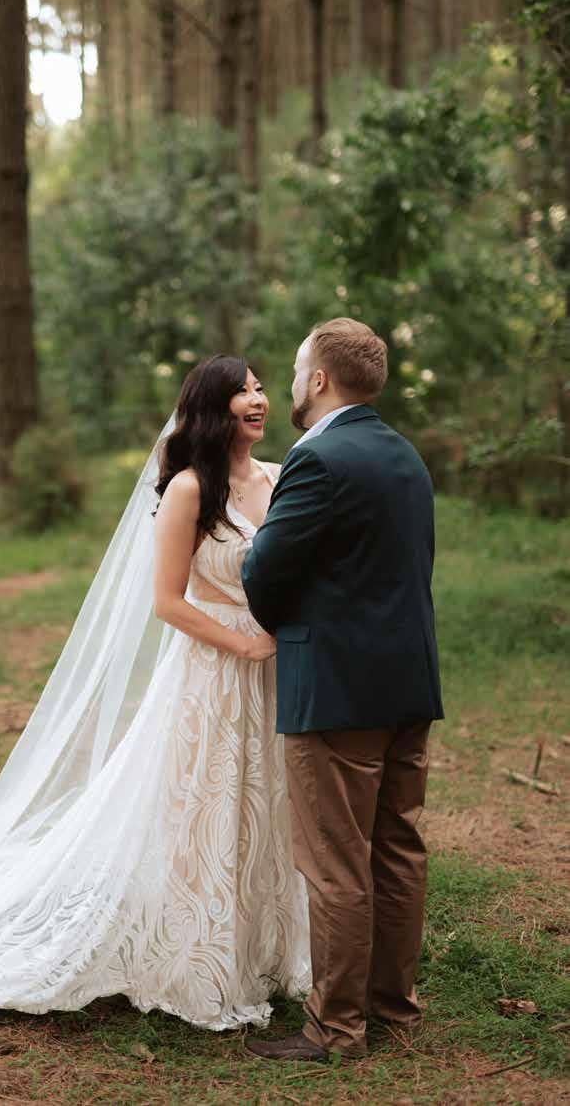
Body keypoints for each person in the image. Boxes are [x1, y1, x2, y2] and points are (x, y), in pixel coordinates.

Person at [0, 355, 310, 1029]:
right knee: (212, 805)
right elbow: (168, 601)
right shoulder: (189, 489)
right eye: (240, 392)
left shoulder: (280, 478)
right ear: (209, 407)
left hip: (277, 667)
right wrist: (242, 643)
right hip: (213, 670)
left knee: (270, 800)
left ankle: (269, 951)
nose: (257, 399)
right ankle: (205, 957)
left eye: (259, 388)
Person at [241, 317, 444, 1063]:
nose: (291, 385)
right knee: (397, 849)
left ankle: (335, 1028)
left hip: (334, 687)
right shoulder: (404, 454)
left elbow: (264, 570)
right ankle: (392, 1008)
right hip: (408, 683)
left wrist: (279, 613)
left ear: (319, 379)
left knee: (335, 861)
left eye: (297, 372)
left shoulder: (317, 457)